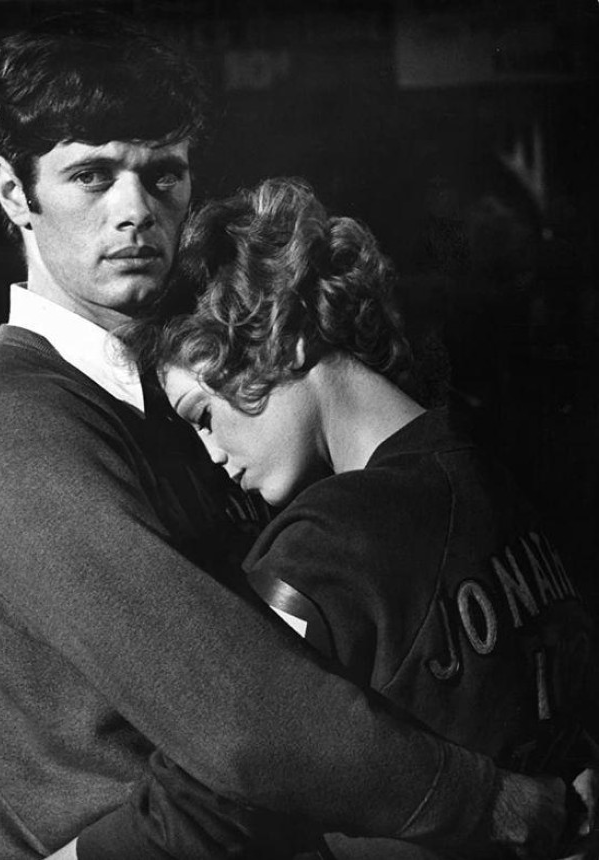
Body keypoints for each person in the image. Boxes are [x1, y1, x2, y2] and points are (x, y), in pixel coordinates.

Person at [0, 11, 582, 860]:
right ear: (15, 193)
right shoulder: (7, 425)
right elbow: (243, 718)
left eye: (164, 174)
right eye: (92, 175)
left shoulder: (177, 387)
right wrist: (491, 800)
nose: (135, 211)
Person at [144, 177, 599, 859]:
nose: (212, 454)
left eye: (203, 414)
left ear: (283, 341)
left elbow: (205, 801)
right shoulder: (506, 463)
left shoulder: (324, 548)